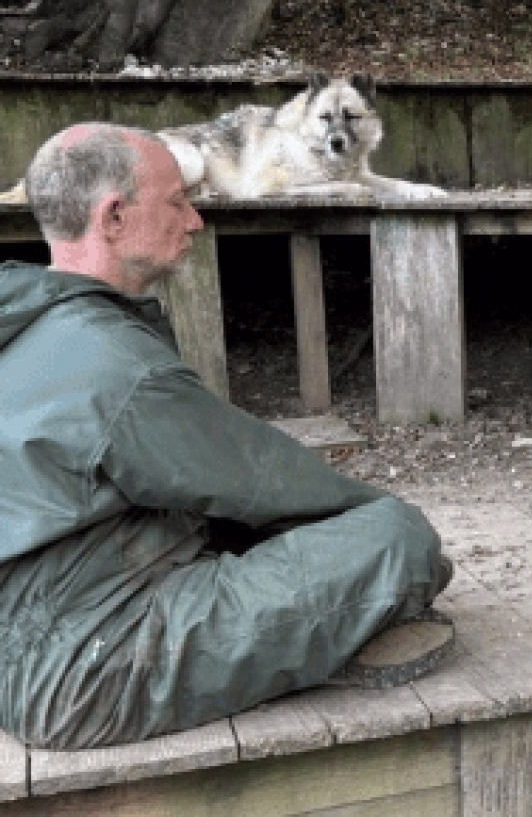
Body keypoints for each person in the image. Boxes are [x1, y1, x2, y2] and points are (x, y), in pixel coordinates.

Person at [0, 124, 453, 750]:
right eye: (177, 201)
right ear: (113, 217)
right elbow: (272, 484)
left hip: (27, 632)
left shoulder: (25, 324)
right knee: (398, 538)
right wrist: (388, 552)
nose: (195, 222)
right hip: (86, 667)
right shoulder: (117, 364)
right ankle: (334, 634)